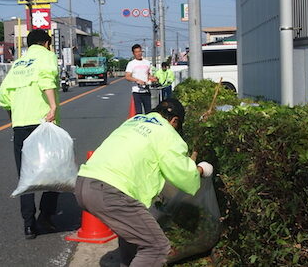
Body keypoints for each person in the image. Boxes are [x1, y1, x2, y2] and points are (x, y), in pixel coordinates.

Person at [75, 99, 214, 266]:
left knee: (133, 235)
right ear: (174, 120)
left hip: (84, 182)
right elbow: (183, 174)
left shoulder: (135, 120)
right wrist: (201, 169)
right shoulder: (167, 132)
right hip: (110, 190)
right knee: (156, 246)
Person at [0, 29, 60, 240]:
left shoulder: (18, 64)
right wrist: (52, 107)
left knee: (25, 177)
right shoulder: (46, 56)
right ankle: (46, 216)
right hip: (43, 122)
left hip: (20, 125)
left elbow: (4, 95)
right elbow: (46, 79)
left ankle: (29, 226)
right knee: (55, 172)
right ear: (45, 43)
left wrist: (13, 119)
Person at [125, 44, 153, 114]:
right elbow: (127, 76)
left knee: (148, 112)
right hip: (136, 91)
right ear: (133, 53)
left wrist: (153, 78)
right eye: (136, 52)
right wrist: (137, 80)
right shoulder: (131, 63)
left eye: (140, 51)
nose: (139, 53)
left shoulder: (147, 63)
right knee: (138, 112)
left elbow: (149, 75)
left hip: (146, 90)